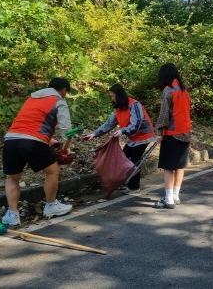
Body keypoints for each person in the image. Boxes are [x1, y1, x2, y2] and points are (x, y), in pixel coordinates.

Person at [1, 78, 74, 226]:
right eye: (66, 92)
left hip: (11, 140)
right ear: (64, 90)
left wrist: (50, 140)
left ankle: (12, 215)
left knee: (12, 177)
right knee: (52, 170)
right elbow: (67, 130)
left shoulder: (32, 98)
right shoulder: (58, 100)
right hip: (32, 141)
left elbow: (32, 123)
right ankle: (51, 206)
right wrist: (67, 148)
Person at [81, 84, 155, 193]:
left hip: (144, 136)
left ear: (119, 95)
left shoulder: (134, 105)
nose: (111, 99)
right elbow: (109, 124)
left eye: (112, 96)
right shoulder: (119, 109)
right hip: (133, 138)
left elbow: (137, 123)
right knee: (123, 159)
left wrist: (122, 131)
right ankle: (125, 182)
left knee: (133, 161)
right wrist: (94, 134)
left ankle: (134, 186)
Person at [154, 63, 191, 209]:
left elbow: (164, 115)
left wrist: (160, 132)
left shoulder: (168, 91)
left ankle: (168, 199)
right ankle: (175, 195)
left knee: (169, 167)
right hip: (186, 132)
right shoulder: (184, 90)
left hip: (172, 133)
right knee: (180, 166)